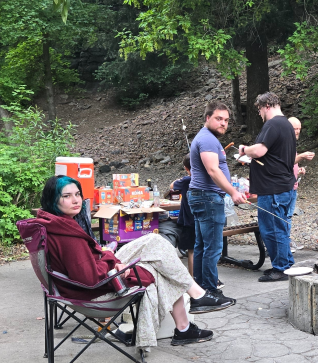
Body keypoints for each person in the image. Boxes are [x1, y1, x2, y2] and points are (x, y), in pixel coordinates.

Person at [36, 175, 213, 348]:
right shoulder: (68, 237)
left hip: (88, 277)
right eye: (66, 196)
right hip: (96, 290)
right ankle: (189, 314)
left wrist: (108, 257)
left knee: (154, 242)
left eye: (77, 194)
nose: (75, 200)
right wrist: (111, 262)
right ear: (54, 200)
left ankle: (190, 311)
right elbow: (88, 278)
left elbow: (88, 260)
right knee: (158, 265)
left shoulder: (54, 223)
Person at [189, 100, 247, 309]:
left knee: (202, 247)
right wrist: (233, 192)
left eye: (226, 120)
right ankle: (210, 292)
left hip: (202, 197)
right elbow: (213, 171)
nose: (223, 123)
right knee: (213, 248)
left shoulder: (207, 138)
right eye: (218, 119)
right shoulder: (207, 140)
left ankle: (199, 292)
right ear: (207, 118)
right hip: (208, 198)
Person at [238, 92, 297, 282]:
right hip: (283, 185)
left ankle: (280, 268)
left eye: (259, 109)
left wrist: (245, 150)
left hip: (273, 188)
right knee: (279, 226)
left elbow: (260, 150)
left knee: (272, 228)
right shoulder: (287, 124)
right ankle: (286, 263)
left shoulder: (272, 124)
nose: (260, 113)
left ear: (267, 105)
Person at [168, 156, 197, 276]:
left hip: (189, 221)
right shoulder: (207, 178)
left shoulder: (186, 181)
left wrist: (184, 177)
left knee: (192, 250)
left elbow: (172, 186)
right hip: (203, 219)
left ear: (186, 168)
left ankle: (193, 278)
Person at [287, 117, 315, 215]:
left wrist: (297, 170)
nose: (297, 131)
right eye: (295, 129)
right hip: (286, 188)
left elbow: (290, 164)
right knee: (284, 218)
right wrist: (302, 156)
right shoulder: (284, 144)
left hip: (293, 187)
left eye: (299, 129)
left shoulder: (292, 143)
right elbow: (285, 162)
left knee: (289, 217)